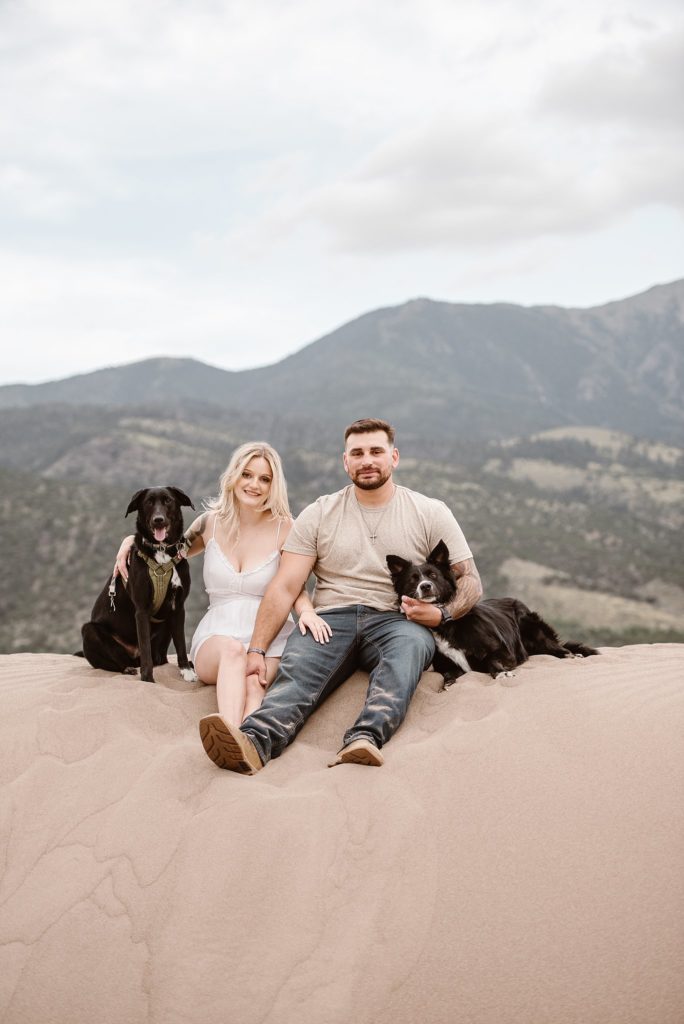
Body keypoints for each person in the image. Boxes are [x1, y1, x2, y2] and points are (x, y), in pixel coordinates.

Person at [197, 418, 483, 774]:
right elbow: (285, 585)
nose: (367, 460)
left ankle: (365, 738)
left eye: (376, 451)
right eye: (357, 453)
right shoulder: (320, 512)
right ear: (344, 461)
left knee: (408, 654)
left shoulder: (429, 511)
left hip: (396, 620)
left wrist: (443, 616)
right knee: (297, 674)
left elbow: (469, 578)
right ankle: (253, 742)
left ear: (394, 457)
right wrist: (256, 649)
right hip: (329, 620)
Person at [115, 442, 331, 727]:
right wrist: (129, 541)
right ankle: (228, 732)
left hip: (271, 636)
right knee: (233, 653)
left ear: (273, 485)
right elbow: (168, 547)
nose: (254, 484)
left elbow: (294, 586)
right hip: (218, 635)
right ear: (234, 477)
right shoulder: (209, 524)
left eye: (264, 479)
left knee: (255, 681)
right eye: (247, 474)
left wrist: (307, 612)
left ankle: (247, 741)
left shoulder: (286, 528)